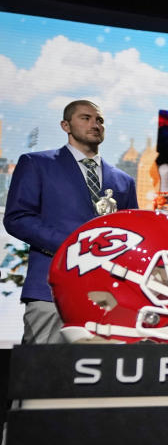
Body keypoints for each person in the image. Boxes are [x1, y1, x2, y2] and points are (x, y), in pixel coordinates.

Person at [3, 99, 138, 344]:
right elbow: (17, 218)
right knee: (41, 373)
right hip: (51, 289)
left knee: (98, 374)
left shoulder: (123, 181)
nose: (95, 124)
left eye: (100, 120)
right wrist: (75, 245)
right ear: (65, 125)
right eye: (85, 118)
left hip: (108, 295)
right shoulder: (36, 164)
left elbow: (132, 234)